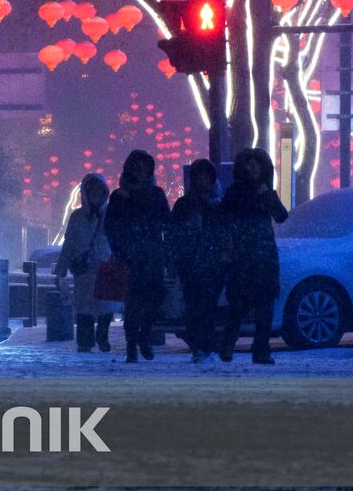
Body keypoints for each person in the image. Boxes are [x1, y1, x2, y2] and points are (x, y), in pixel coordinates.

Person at [217, 148, 288, 365]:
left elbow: (281, 216)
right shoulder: (234, 193)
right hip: (243, 257)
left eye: (257, 163)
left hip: (264, 258)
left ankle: (261, 350)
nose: (253, 167)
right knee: (237, 305)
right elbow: (225, 221)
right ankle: (228, 344)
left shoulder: (267, 192)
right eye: (249, 163)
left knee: (264, 307)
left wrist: (266, 194)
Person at [105, 150, 171, 363]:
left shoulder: (157, 194)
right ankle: (132, 344)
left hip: (153, 254)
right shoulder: (119, 196)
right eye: (137, 166)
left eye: (145, 167)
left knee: (154, 298)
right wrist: (120, 250)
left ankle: (144, 337)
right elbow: (111, 226)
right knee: (133, 303)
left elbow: (167, 223)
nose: (141, 171)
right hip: (130, 256)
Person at [168, 159, 224, 363]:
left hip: (212, 262)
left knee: (207, 305)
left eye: (206, 175)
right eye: (198, 175)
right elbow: (173, 233)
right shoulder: (184, 205)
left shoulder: (219, 204)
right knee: (194, 304)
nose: (202, 179)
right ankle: (200, 345)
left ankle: (204, 344)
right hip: (190, 263)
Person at [55, 174, 119, 352]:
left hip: (104, 267)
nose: (95, 195)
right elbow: (69, 243)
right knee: (84, 307)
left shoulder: (111, 215)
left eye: (99, 191)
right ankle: (85, 341)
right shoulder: (77, 217)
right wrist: (61, 268)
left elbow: (117, 240)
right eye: (92, 191)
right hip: (83, 268)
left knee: (105, 305)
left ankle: (102, 336)